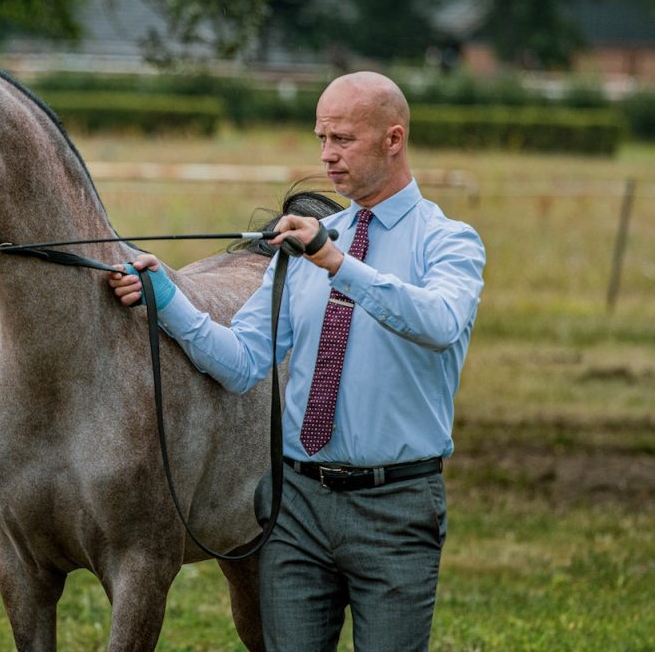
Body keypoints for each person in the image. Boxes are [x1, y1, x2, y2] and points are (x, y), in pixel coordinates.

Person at [108, 71, 485, 652]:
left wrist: (335, 261)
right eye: (321, 139)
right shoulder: (307, 247)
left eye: (343, 140)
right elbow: (240, 362)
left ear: (393, 139)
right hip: (295, 506)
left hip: (395, 507)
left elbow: (438, 323)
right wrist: (167, 301)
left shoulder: (448, 241)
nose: (327, 157)